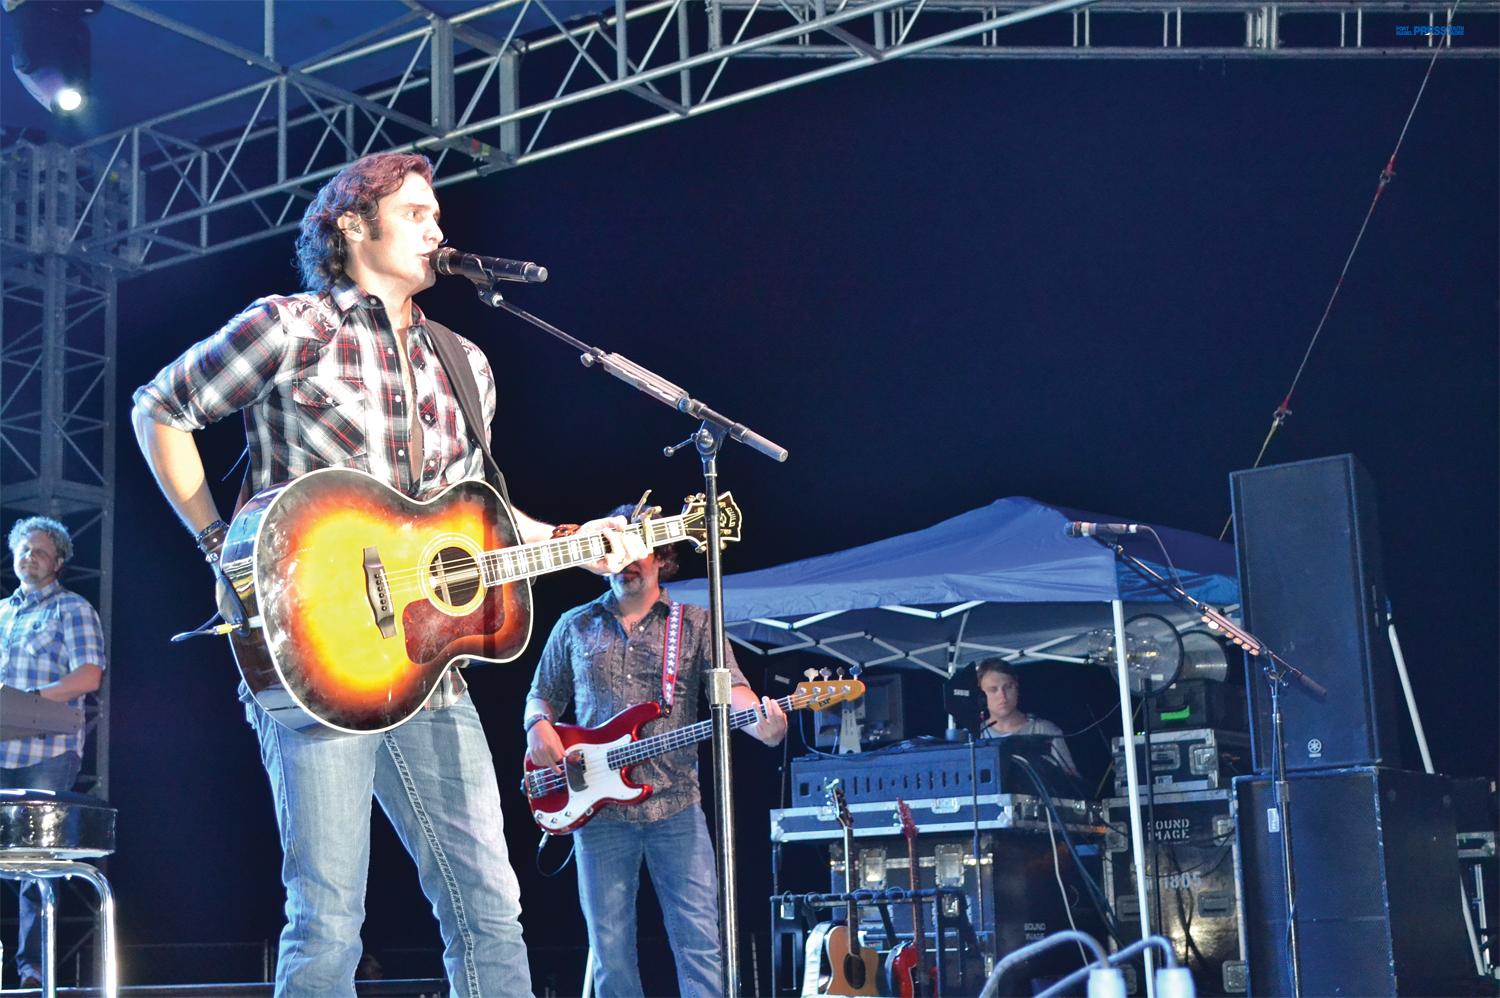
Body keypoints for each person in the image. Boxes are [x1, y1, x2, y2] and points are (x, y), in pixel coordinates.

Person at [130, 152, 646, 998]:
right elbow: (160, 407)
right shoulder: (290, 327)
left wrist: (572, 539)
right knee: (329, 916)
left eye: (437, 215)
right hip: (317, 659)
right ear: (351, 225)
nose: (437, 228)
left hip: (431, 666)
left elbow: (475, 514)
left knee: (490, 906)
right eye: (415, 213)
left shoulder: (464, 362)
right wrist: (222, 545)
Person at [524, 506, 787, 998]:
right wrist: (537, 725)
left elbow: (735, 692)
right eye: (612, 551)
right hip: (598, 814)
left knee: (700, 946)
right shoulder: (574, 625)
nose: (625, 561)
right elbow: (541, 695)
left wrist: (763, 725)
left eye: (637, 550)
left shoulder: (696, 624)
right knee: (610, 954)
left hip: (676, 805)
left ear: (662, 557)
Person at [0, 517, 105, 990]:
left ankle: (33, 971)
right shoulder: (1, 613)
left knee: (36, 864)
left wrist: (30, 701)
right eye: (24, 550)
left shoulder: (72, 608)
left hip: (47, 751)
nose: (30, 557)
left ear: (58, 562)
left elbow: (89, 676)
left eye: (40, 551)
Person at [975, 657, 1078, 777]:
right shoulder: (975, 736)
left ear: (1017, 687)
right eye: (993, 690)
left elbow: (1072, 780)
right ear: (981, 696)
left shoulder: (1045, 730)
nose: (1002, 695)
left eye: (1008, 687)